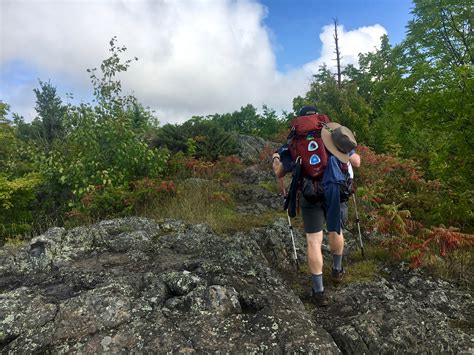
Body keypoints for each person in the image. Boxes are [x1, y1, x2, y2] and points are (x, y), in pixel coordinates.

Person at [272, 109, 358, 307]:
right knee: (336, 229)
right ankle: (337, 271)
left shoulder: (293, 142)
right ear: (320, 118)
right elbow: (356, 161)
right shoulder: (333, 134)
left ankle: (318, 291)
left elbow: (279, 173)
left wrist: (276, 158)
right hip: (335, 190)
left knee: (313, 241)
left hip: (309, 193)